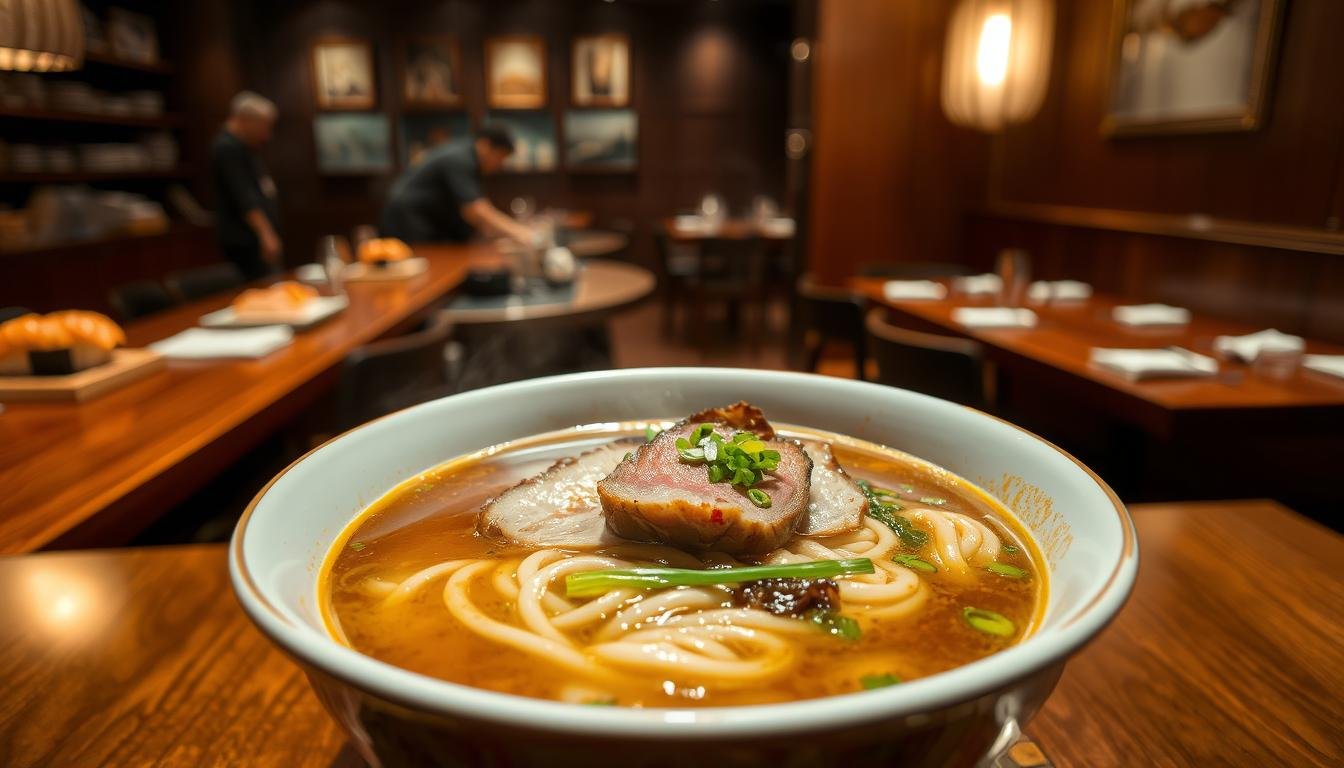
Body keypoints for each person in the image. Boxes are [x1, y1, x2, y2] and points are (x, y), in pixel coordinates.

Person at [380, 126, 536, 245]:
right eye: (500, 157)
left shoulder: (467, 157)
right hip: (408, 217)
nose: (499, 165)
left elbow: (469, 212)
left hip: (419, 217)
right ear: (485, 145)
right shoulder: (460, 159)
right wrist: (521, 233)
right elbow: (476, 209)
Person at [210, 91, 282, 280]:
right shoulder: (226, 148)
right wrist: (266, 234)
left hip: (255, 239)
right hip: (245, 241)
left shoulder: (245, 147)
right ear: (245, 120)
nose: (267, 135)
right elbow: (244, 196)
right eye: (264, 127)